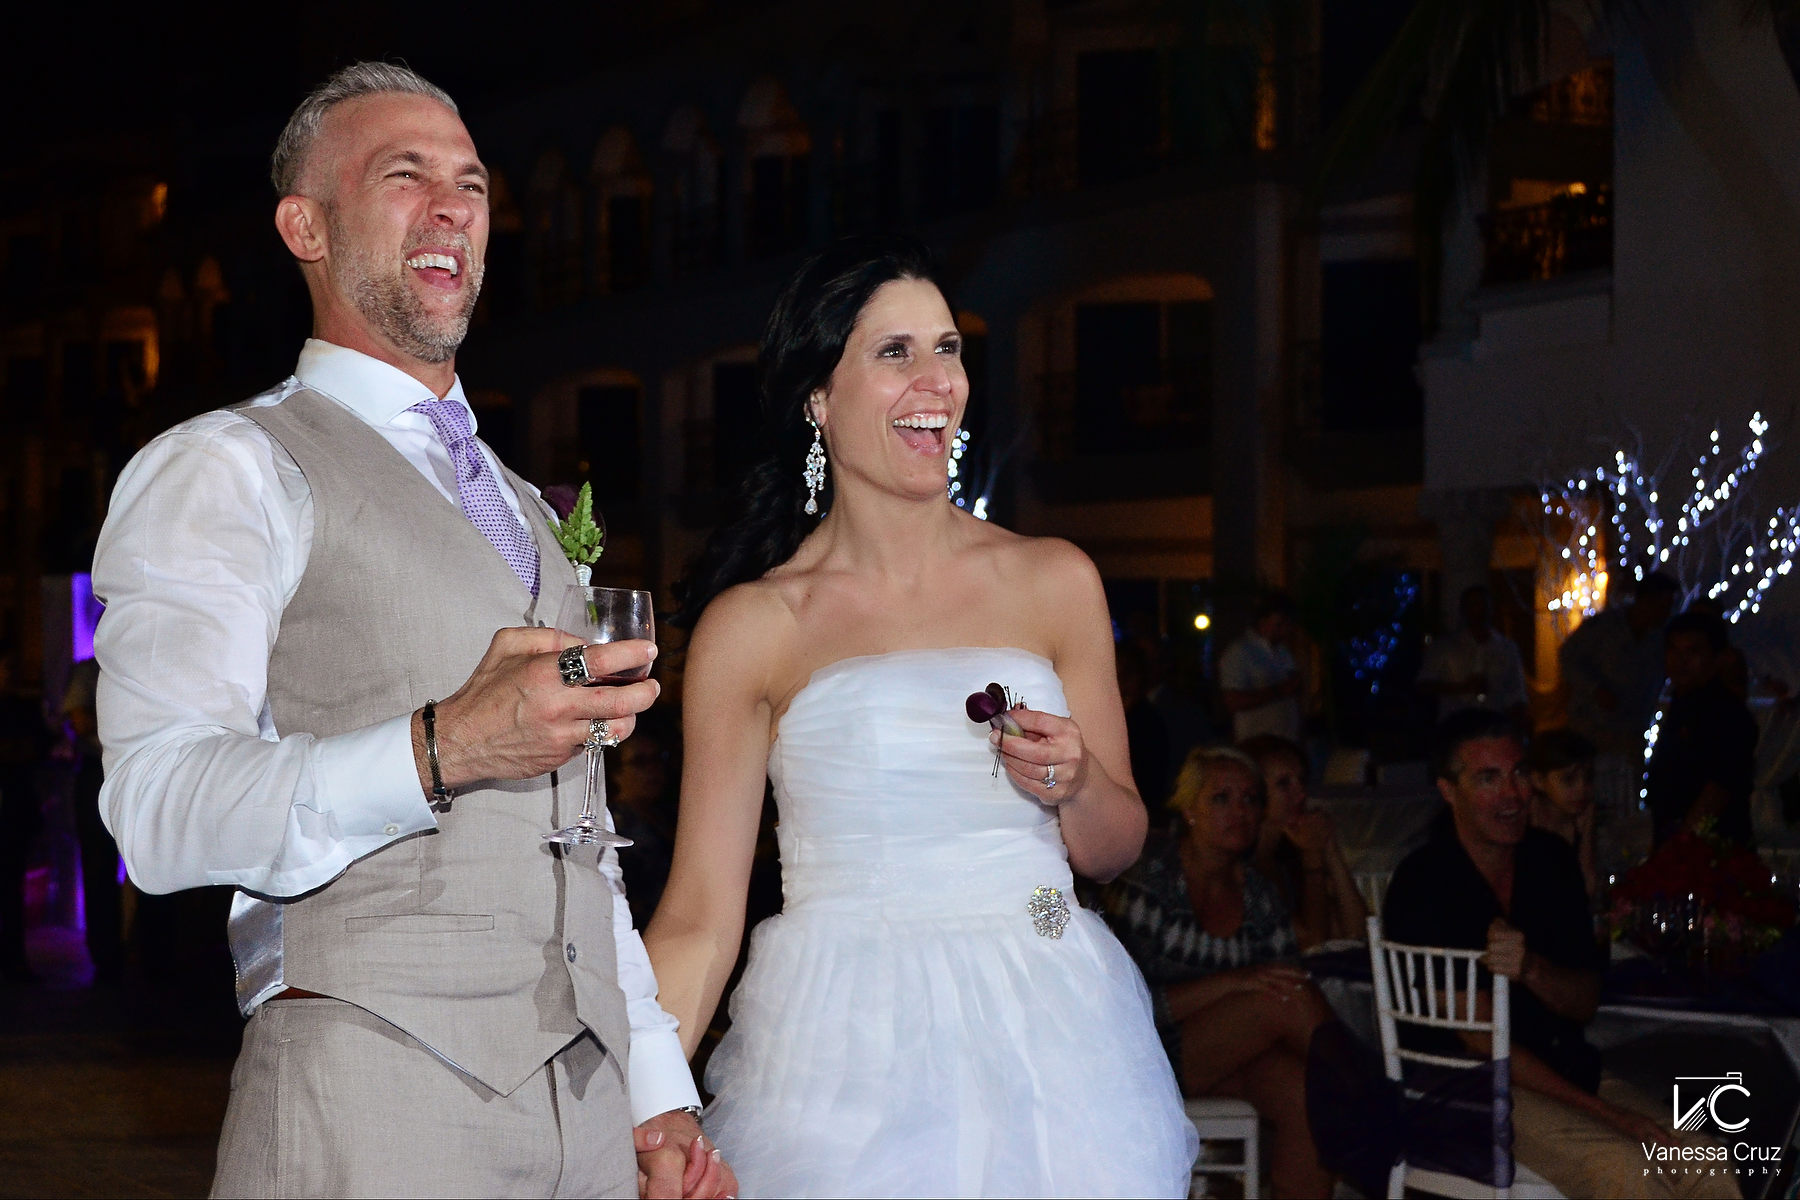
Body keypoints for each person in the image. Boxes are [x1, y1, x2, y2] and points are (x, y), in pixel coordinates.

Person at [91, 63, 730, 1199]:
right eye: (407, 177)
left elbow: (577, 839)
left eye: (472, 185)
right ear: (307, 226)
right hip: (370, 1103)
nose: (453, 208)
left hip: (581, 1121)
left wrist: (653, 1093)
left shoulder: (529, 508)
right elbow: (157, 810)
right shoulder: (228, 467)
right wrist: (438, 749)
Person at [643, 235, 1195, 1197]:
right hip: (840, 1052)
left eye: (948, 347)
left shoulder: (1054, 578)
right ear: (818, 397)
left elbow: (1114, 847)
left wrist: (1076, 781)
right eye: (894, 353)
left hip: (1056, 1032)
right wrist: (651, 1105)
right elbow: (697, 917)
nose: (935, 379)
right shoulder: (755, 627)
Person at [1383, 710, 1735, 1199]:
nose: (1512, 794)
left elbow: (1584, 1000)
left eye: (1519, 773)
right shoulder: (1425, 883)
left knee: (1705, 1164)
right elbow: (1483, 1041)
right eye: (1488, 778)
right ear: (1449, 791)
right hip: (1469, 1091)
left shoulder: (1549, 861)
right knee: (1624, 1167)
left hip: (1566, 1073)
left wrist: (1529, 968)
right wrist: (1615, 1119)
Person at [1103, 746, 1335, 1199]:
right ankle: (1377, 1101)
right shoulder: (1150, 881)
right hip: (1146, 1053)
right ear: (1188, 809)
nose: (1240, 812)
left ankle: (1361, 1098)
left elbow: (1293, 972)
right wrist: (1233, 984)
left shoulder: (1257, 895)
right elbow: (1126, 1004)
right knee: (1278, 999)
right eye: (1221, 799)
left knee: (1311, 1095)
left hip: (1231, 1053)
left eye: (1250, 799)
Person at [1560, 572, 1680, 813]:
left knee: (1627, 797)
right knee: (1587, 795)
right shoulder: (1603, 628)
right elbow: (1568, 657)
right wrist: (1595, 689)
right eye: (1662, 605)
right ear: (1645, 602)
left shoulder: (1661, 638)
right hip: (1591, 729)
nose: (1666, 613)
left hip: (1630, 732)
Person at [1240, 733, 1367, 947]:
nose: (1300, 794)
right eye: (1283, 784)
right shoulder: (1240, 868)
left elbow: (1357, 932)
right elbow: (1310, 943)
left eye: (1301, 781)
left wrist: (1329, 848)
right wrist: (1313, 861)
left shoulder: (1287, 857)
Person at [1645, 610, 1758, 848]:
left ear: (1717, 657)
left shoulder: (1725, 713)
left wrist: (1681, 848)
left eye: (1692, 651)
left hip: (1711, 854)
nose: (1680, 661)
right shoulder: (1680, 704)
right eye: (1674, 650)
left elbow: (1719, 789)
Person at [62, 658, 123, 983]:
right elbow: (80, 721)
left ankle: (153, 953)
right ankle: (107, 955)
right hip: (99, 771)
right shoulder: (90, 670)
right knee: (98, 867)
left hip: (133, 769)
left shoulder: (139, 663)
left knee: (156, 860)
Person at [0, 646, 51, 983]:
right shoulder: (21, 710)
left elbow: (39, 747)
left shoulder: (21, 708)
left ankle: (14, 961)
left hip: (13, 810)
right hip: (13, 805)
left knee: (10, 889)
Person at [1416, 584, 1530, 727]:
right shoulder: (1444, 647)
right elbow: (1424, 684)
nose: (1478, 610)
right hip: (1455, 727)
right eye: (1473, 605)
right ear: (1464, 610)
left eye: (1483, 605)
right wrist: (1461, 688)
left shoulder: (1507, 648)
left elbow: (1517, 693)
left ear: (1491, 608)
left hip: (1493, 727)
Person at [1219, 591, 1303, 742]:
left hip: (1285, 741)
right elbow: (1232, 701)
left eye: (1288, 625)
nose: (1285, 630)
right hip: (1256, 743)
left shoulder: (1283, 652)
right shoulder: (1240, 652)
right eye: (1279, 624)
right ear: (1262, 621)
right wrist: (1280, 690)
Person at [1525, 727, 1598, 898]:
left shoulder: (1579, 821)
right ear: (1538, 780)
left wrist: (1587, 832)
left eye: (1587, 778)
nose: (1581, 789)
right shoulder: (1523, 821)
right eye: (1569, 780)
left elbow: (1588, 889)